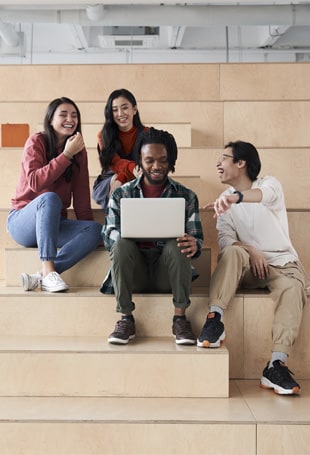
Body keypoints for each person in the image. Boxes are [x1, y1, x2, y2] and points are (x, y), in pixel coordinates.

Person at [197, 140, 307, 395]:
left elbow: (262, 197)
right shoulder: (224, 202)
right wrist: (252, 250)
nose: (218, 163)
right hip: (247, 266)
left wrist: (235, 198)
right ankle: (215, 319)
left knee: (293, 288)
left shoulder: (268, 185)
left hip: (282, 264)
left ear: (241, 163)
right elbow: (226, 242)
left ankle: (275, 365)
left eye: (224, 158)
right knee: (233, 251)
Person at [101, 127, 204, 345]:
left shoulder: (186, 196)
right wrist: (127, 236)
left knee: (179, 244)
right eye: (149, 160)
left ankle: (180, 319)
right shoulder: (122, 194)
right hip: (133, 271)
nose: (156, 166)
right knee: (120, 244)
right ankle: (126, 318)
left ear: (171, 161)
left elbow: (197, 238)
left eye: (163, 160)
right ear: (139, 160)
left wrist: (194, 244)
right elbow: (108, 235)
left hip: (166, 273)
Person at [7, 96, 102, 293]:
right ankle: (49, 270)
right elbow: (35, 182)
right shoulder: (36, 141)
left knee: (96, 230)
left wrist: (88, 231)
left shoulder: (79, 152)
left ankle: (42, 276)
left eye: (74, 115)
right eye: (64, 114)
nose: (70, 119)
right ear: (51, 119)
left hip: (53, 226)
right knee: (50, 198)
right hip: (23, 222)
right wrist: (66, 155)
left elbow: (82, 197)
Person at [92, 88, 148, 210]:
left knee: (144, 180)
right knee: (121, 186)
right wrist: (121, 178)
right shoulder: (103, 136)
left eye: (124, 107)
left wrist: (122, 178)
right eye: (114, 110)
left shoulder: (147, 134)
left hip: (139, 176)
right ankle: (114, 226)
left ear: (134, 109)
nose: (120, 113)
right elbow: (115, 163)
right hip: (110, 179)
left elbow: (147, 165)